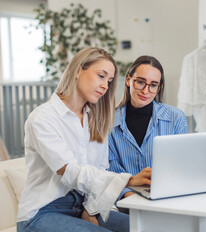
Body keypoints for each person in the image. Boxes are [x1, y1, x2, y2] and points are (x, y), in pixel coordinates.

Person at [17, 47, 151, 232]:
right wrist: (127, 180)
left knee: (146, 227)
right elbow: (70, 171)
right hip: (42, 214)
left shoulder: (96, 120)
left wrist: (90, 208)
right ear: (78, 70)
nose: (105, 85)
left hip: (80, 208)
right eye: (101, 76)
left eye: (110, 81)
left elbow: (99, 169)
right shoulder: (42, 118)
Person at [108, 55, 188, 199]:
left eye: (153, 85)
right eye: (140, 82)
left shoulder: (176, 118)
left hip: (167, 196)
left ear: (159, 88)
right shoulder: (109, 121)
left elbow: (181, 166)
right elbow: (110, 170)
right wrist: (129, 196)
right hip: (124, 200)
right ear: (128, 80)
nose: (146, 91)